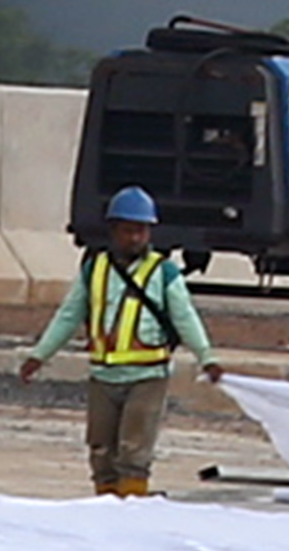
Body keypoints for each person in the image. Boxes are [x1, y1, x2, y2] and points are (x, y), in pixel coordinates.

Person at [18, 186, 223, 495]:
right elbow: (69, 315)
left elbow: (185, 317)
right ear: (114, 231)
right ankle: (106, 506)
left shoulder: (162, 272)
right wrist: (40, 355)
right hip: (104, 377)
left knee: (134, 452)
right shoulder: (95, 270)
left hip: (147, 377)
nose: (136, 238)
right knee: (101, 452)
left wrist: (206, 358)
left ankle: (130, 509)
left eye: (141, 231)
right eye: (129, 231)